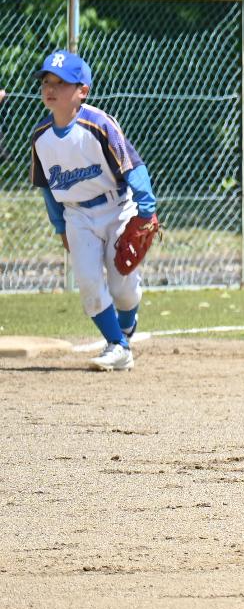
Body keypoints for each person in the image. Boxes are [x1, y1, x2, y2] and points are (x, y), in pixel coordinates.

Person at [27, 50, 161, 372]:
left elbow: (133, 167)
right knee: (88, 282)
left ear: (82, 91)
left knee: (123, 290)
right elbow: (47, 188)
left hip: (117, 207)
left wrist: (146, 210)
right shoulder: (40, 138)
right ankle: (119, 346)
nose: (51, 88)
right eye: (47, 82)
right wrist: (60, 226)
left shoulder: (99, 124)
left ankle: (124, 330)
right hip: (77, 215)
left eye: (61, 83)